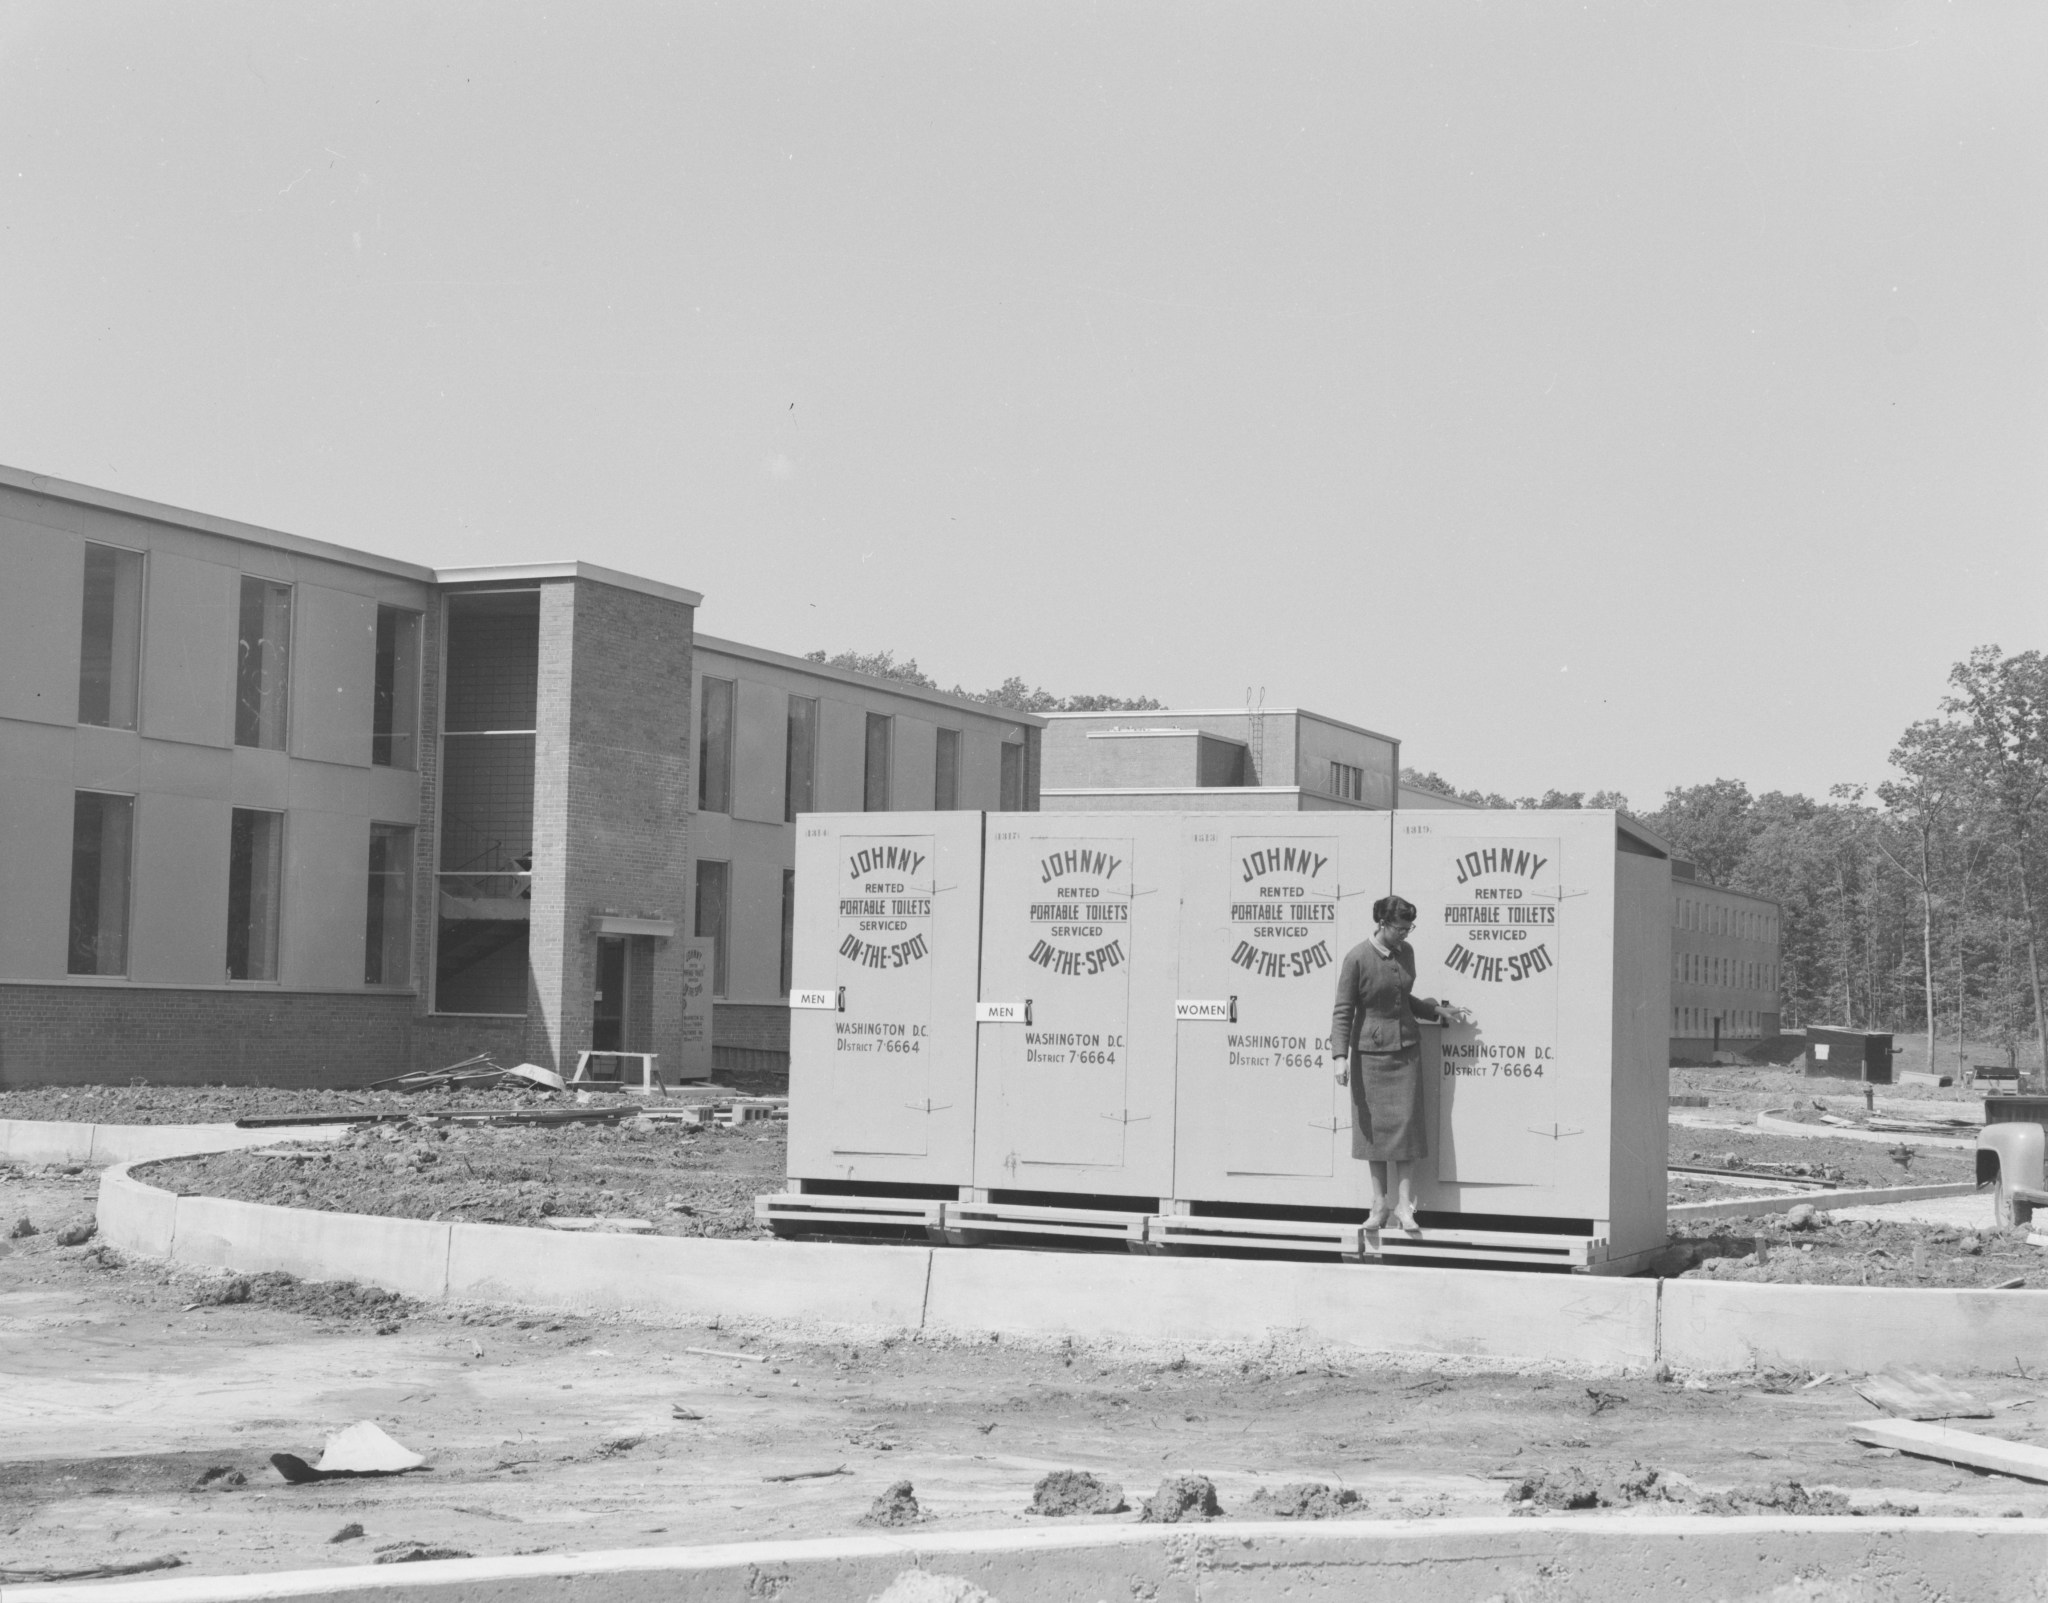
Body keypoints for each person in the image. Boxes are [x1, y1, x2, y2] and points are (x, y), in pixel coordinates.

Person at [1329, 894, 1461, 1233]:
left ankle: (1404, 1207)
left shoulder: (1407, 953)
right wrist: (1340, 1058)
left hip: (1406, 1052)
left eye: (1409, 928)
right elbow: (1344, 1010)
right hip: (1369, 1056)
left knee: (1406, 1129)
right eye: (1401, 928)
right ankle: (1379, 1205)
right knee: (1373, 1131)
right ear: (1383, 924)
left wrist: (1434, 1010)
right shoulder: (1356, 958)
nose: (1406, 934)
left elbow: (1402, 998)